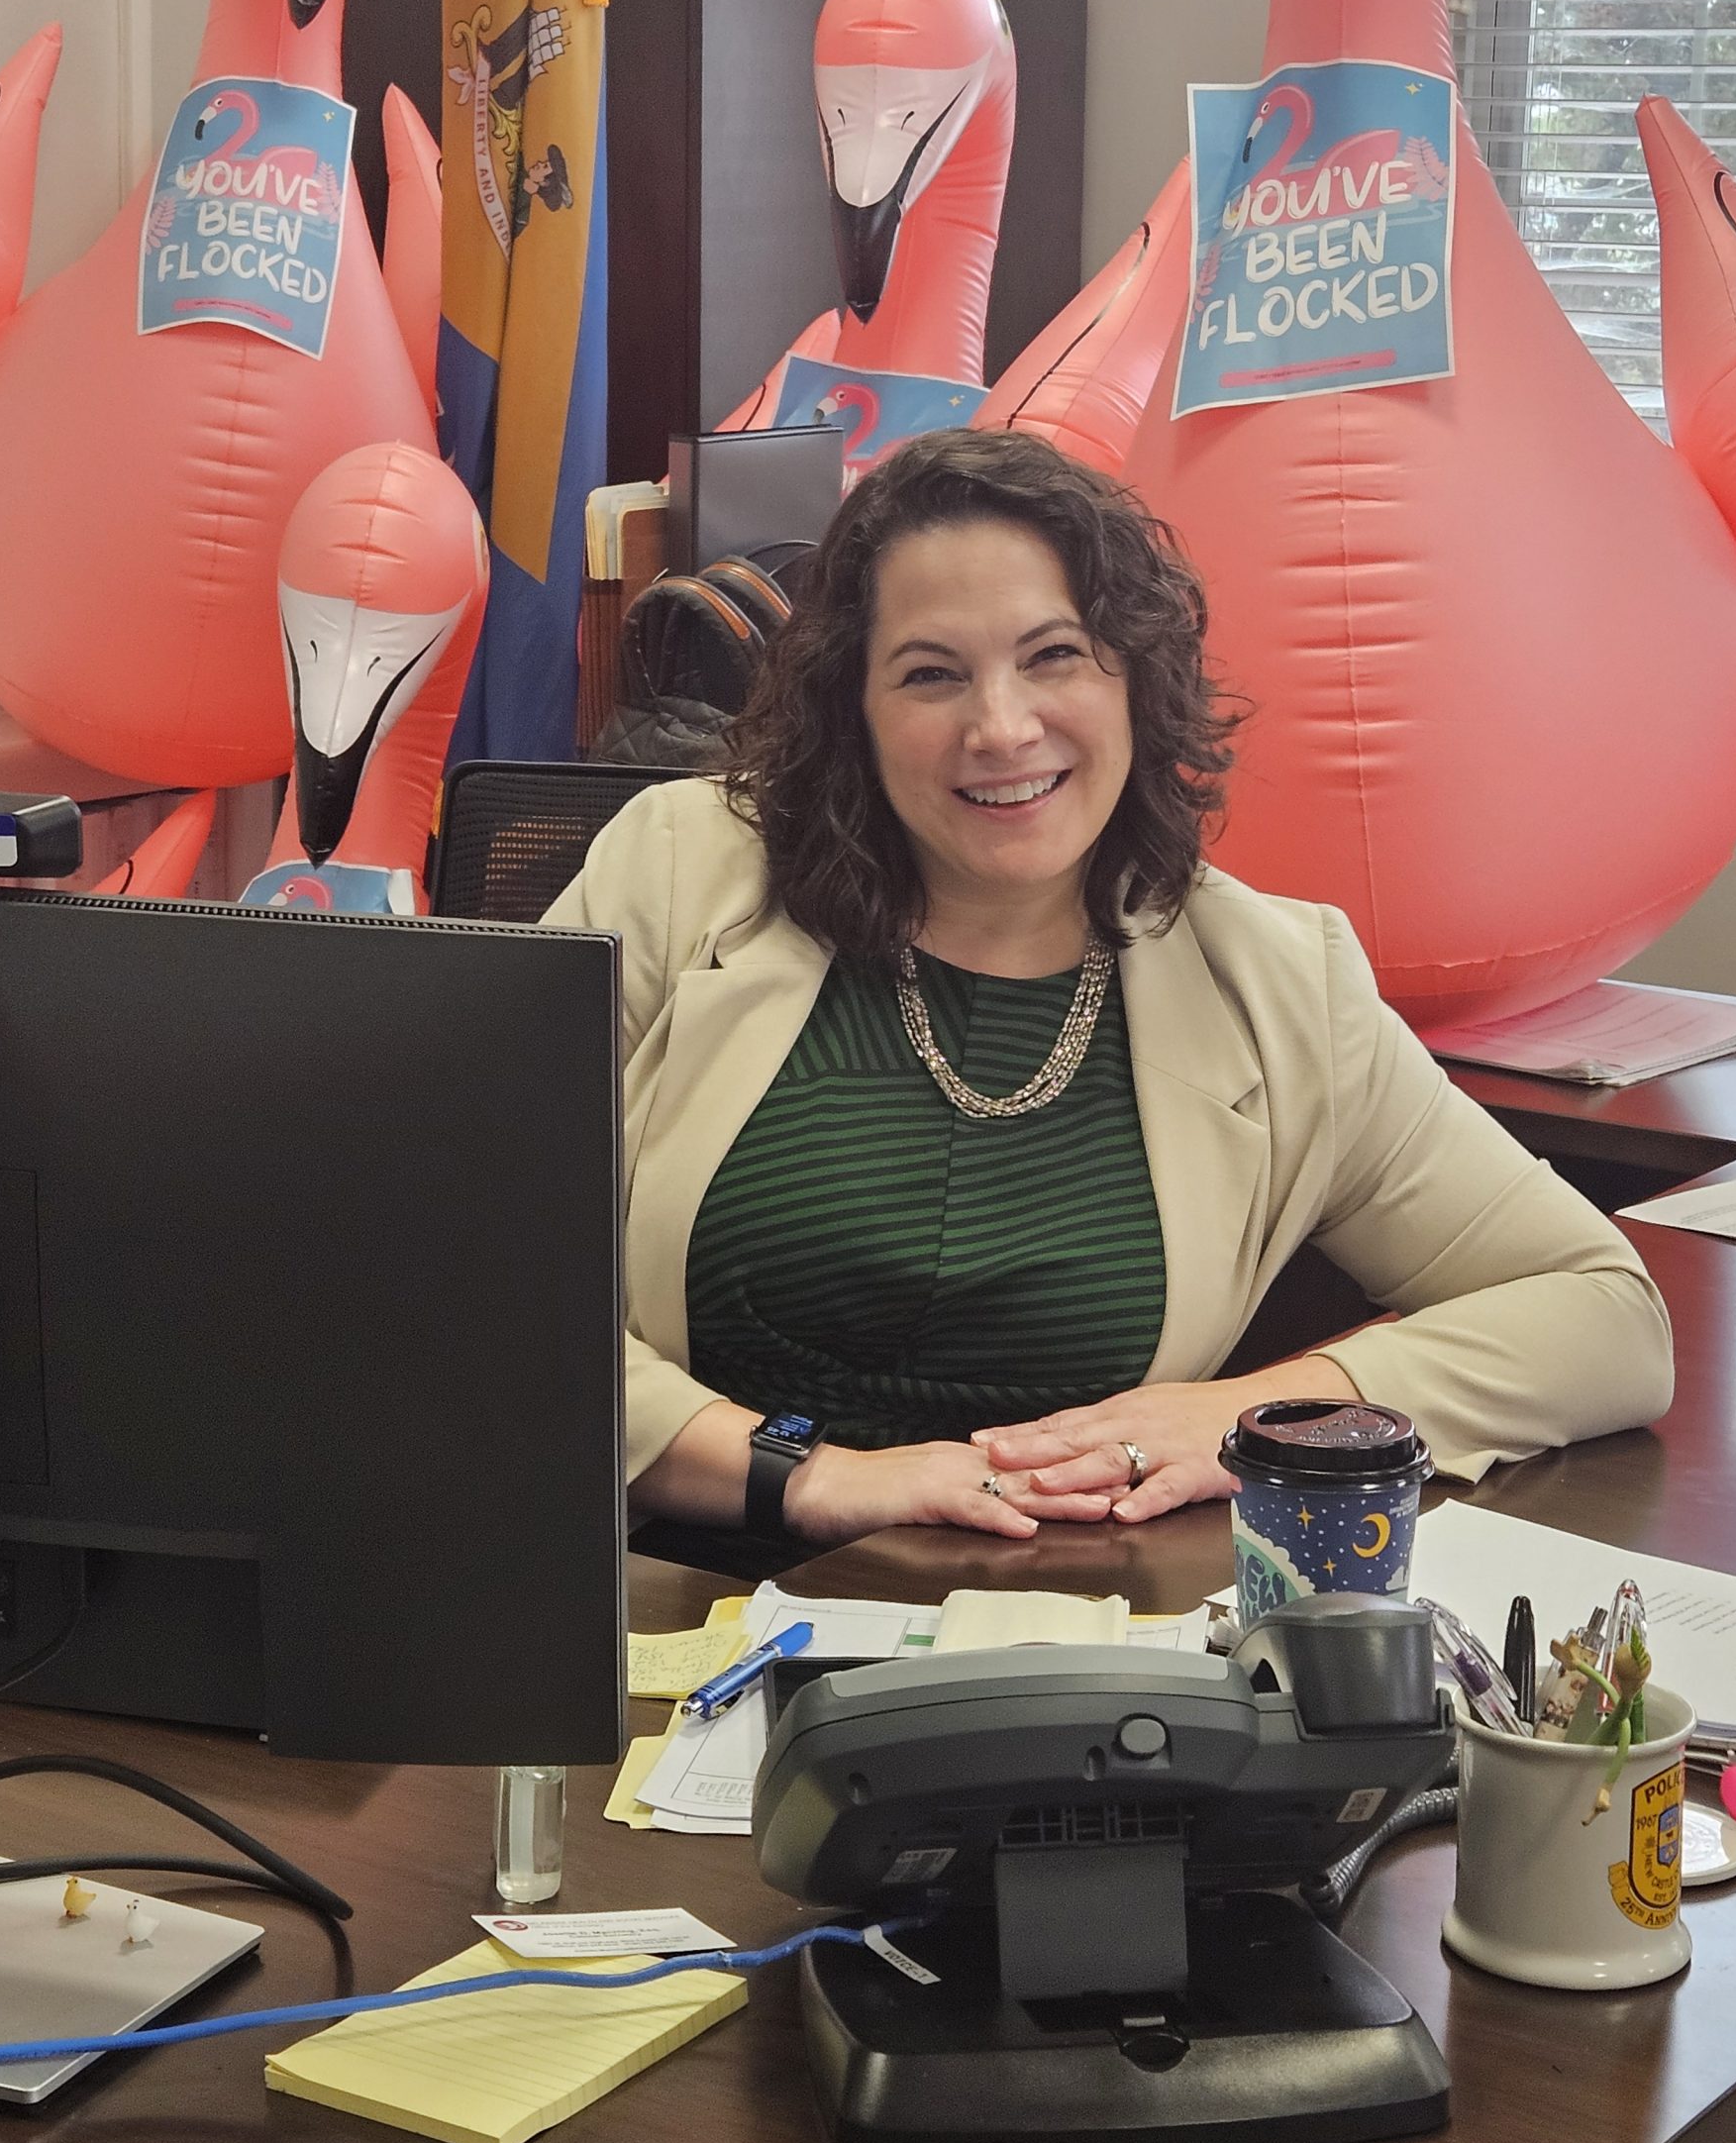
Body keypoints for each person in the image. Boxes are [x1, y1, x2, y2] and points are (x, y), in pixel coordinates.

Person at [548, 429, 1671, 1549]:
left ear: (1137, 678)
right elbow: (458, 1269)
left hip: (1070, 1632)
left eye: (1055, 655)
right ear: (857, 709)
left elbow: (1606, 1317)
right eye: (931, 673)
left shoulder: (1280, 983)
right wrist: (800, 1476)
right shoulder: (677, 874)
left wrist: (1242, 1415)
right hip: (666, 1612)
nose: (1002, 728)